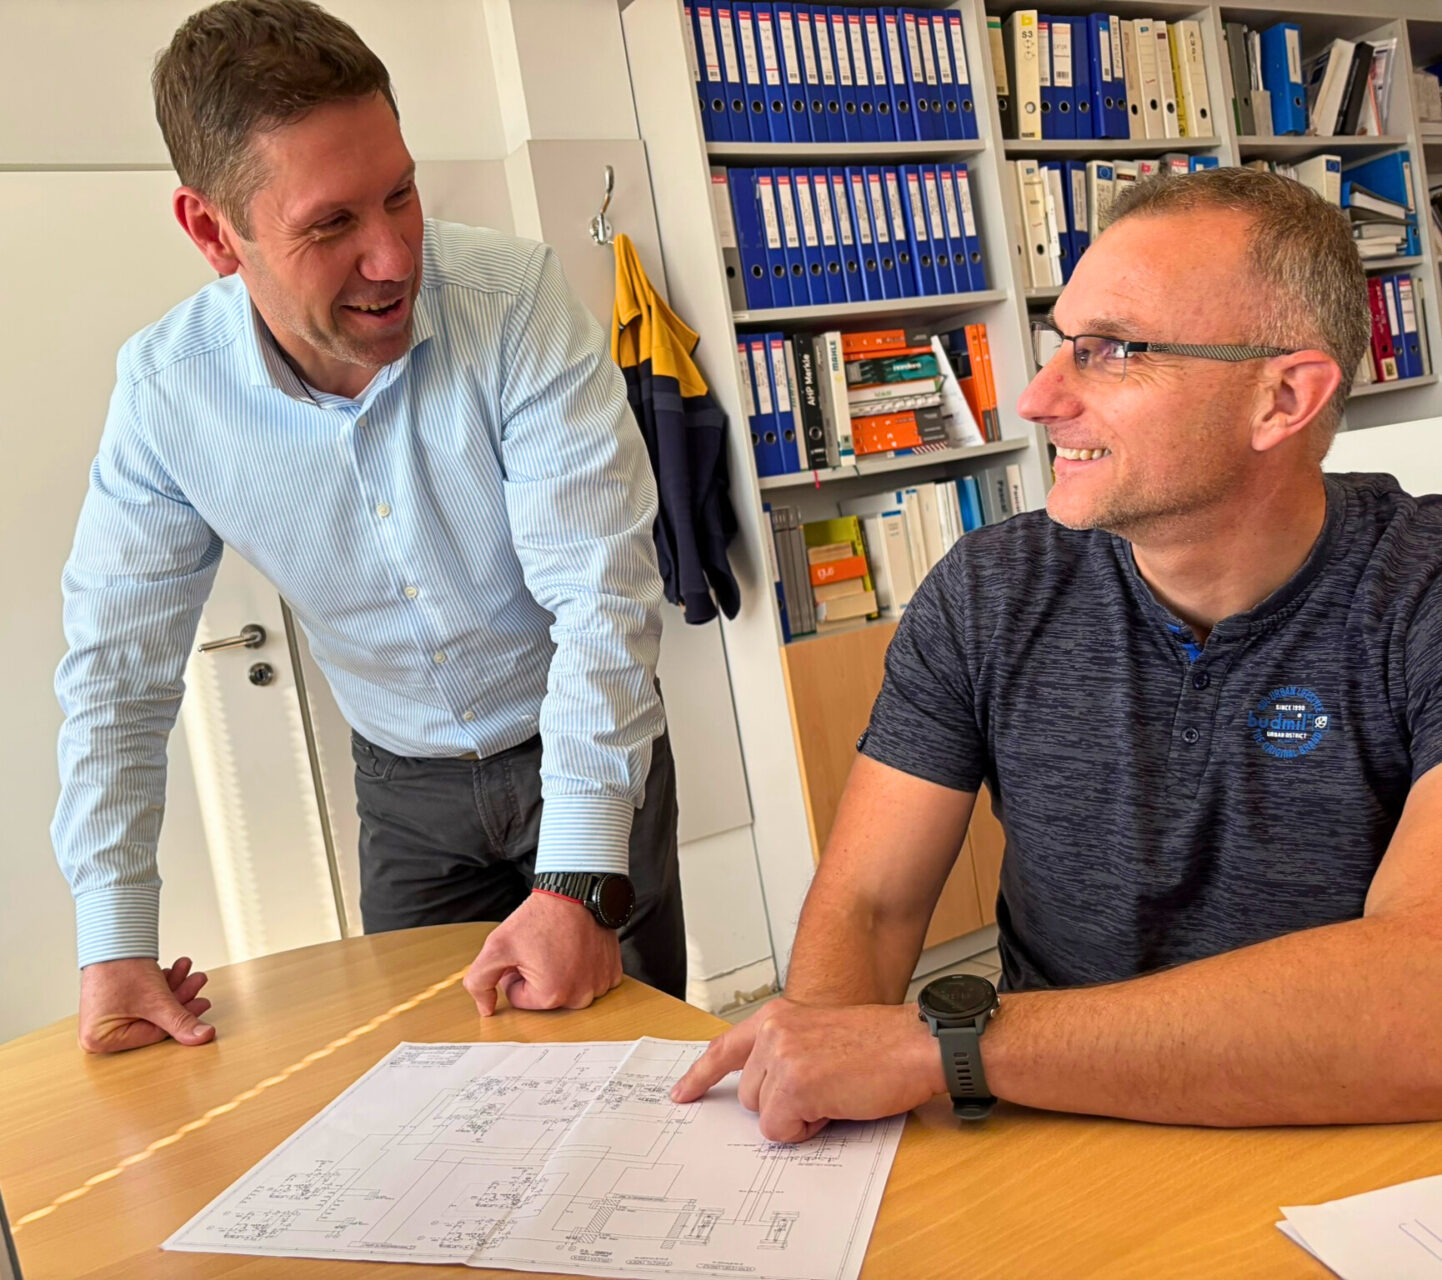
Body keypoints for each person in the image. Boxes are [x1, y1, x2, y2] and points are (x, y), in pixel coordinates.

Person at [674, 168, 1442, 1140]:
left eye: (1111, 351)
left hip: (1336, 1150)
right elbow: (869, 906)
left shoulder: (1419, 588)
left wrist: (951, 1047)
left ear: (1281, 397)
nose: (1037, 398)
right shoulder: (989, 590)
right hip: (1045, 1140)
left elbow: (1423, 997)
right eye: (1058, 342)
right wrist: (813, 1091)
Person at [53, 0, 684, 1055]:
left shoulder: (514, 300)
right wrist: (113, 936)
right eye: (331, 225)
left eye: (401, 194)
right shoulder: (167, 397)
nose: (393, 258)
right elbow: (117, 672)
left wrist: (578, 877)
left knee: (640, 1068)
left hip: (582, 734)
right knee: (440, 1088)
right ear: (213, 232)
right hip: (404, 789)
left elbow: (601, 594)